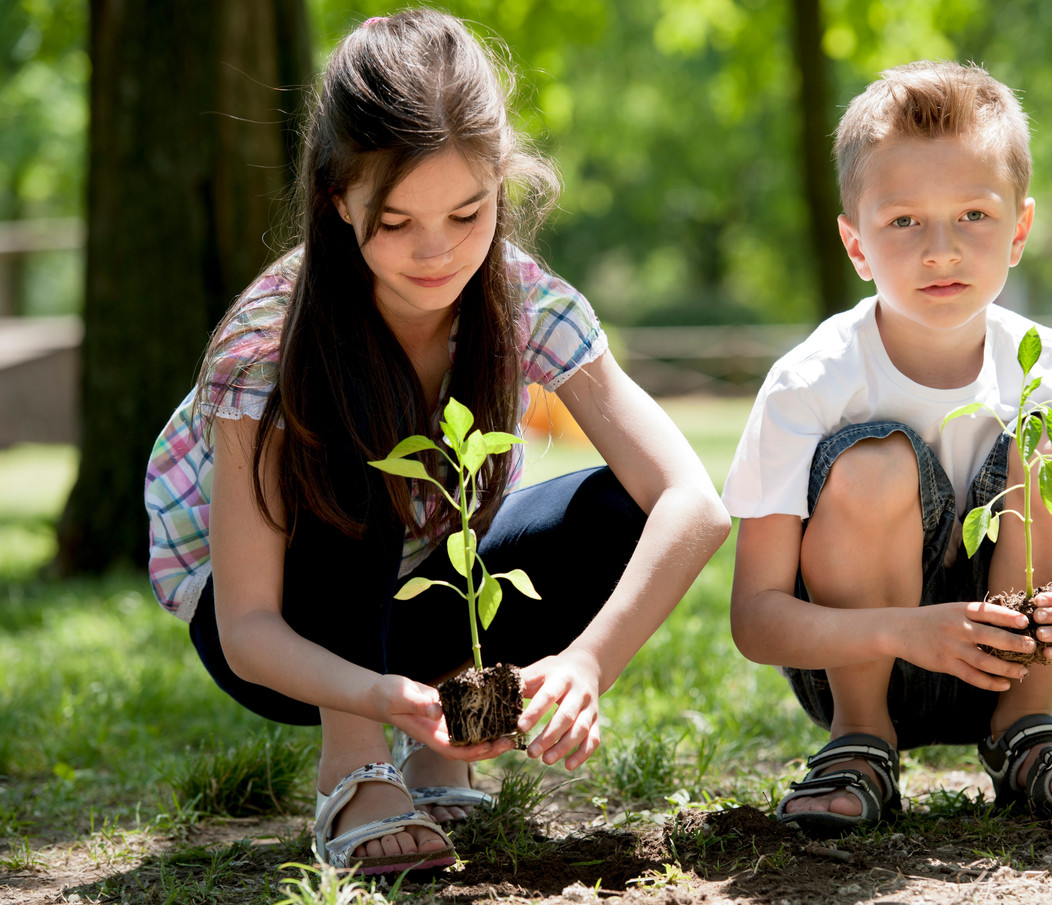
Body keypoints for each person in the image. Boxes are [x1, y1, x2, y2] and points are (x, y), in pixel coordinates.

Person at [144, 9, 729, 874]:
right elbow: (249, 628)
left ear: (502, 184)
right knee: (361, 440)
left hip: (412, 588)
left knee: (619, 508)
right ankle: (356, 765)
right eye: (395, 220)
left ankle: (447, 743)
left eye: (468, 211)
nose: (437, 252)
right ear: (338, 198)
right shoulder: (267, 346)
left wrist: (585, 663)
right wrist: (374, 697)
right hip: (282, 629)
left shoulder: (524, 299)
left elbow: (694, 503)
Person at [721, 61, 1052, 834]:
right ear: (855, 244)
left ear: (1020, 230)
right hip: (856, 660)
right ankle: (861, 741)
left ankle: (1024, 731)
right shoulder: (811, 378)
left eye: (974, 213)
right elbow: (756, 617)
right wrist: (902, 631)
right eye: (903, 221)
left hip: (1014, 668)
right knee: (872, 465)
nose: (942, 249)